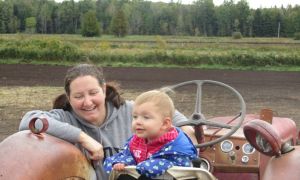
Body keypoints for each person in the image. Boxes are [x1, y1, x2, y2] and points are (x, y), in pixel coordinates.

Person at [19, 63, 197, 180]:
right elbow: (30, 121)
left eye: (93, 93)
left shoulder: (132, 112)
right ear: (69, 97)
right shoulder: (64, 117)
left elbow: (171, 115)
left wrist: (187, 130)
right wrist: (82, 137)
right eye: (78, 96)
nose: (87, 102)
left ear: (103, 90)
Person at [103, 90, 197, 179]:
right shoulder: (136, 141)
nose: (138, 122)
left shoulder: (177, 147)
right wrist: (122, 162)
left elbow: (177, 169)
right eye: (135, 117)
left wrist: (145, 166)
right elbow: (128, 155)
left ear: (165, 124)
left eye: (146, 117)